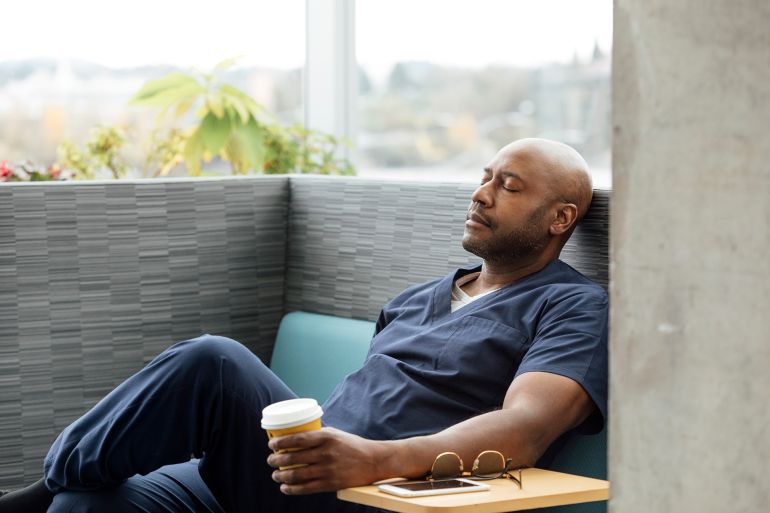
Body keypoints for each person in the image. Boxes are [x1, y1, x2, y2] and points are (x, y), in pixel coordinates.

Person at [0, 138, 608, 513]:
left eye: (508, 186)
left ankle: (29, 496)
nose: (481, 194)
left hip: (371, 493)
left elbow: (523, 431)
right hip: (288, 476)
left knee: (214, 363)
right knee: (91, 501)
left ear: (560, 218)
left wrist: (373, 460)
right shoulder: (415, 298)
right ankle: (56, 491)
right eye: (484, 177)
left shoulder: (572, 307)